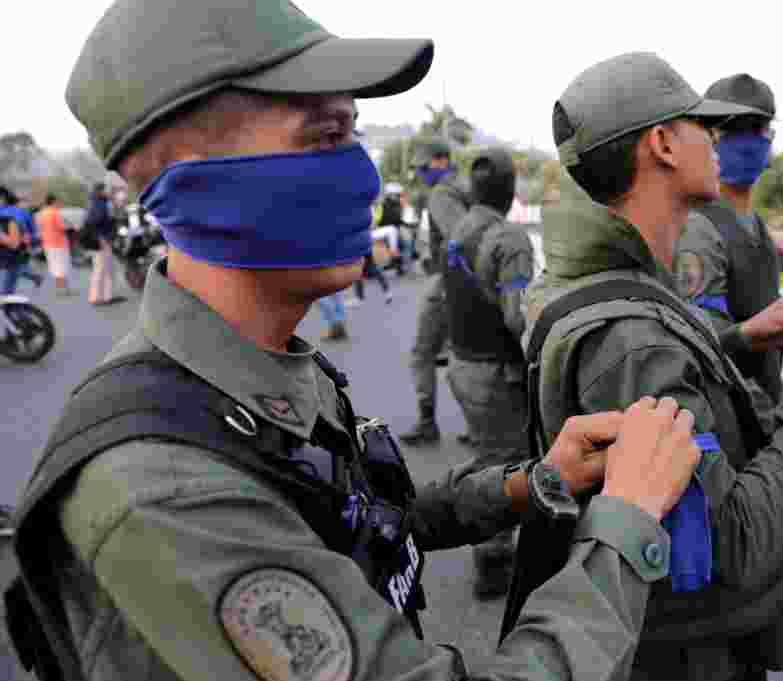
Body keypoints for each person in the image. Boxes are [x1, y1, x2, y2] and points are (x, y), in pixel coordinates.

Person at [6, 3, 707, 680]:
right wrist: (626, 521)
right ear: (190, 179)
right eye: (323, 137)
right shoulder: (163, 489)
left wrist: (533, 482)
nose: (364, 176)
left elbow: (364, 523)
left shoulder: (266, 375)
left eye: (353, 135)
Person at [525, 52, 783, 681]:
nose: (717, 142)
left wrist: (737, 341)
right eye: (703, 127)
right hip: (691, 653)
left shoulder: (633, 290)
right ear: (663, 143)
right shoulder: (632, 335)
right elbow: (733, 541)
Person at [444, 146, 535, 597]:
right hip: (495, 372)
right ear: (510, 188)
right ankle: (494, 558)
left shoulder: (457, 229)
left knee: (486, 454)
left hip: (461, 366)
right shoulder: (510, 239)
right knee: (505, 467)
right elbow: (517, 320)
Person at [672, 74, 783, 406]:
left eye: (756, 128)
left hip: (767, 410)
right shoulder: (698, 228)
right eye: (733, 130)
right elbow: (699, 344)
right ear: (708, 138)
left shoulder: (758, 228)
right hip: (731, 415)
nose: (747, 140)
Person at [399, 139, 472, 446]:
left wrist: (448, 277)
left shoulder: (442, 193)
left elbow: (460, 237)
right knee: (464, 353)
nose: (421, 173)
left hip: (447, 282)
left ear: (441, 161)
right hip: (467, 283)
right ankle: (479, 424)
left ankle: (427, 422)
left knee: (423, 354)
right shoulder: (464, 184)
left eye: (424, 166)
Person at [85, 182, 125, 306]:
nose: (109, 192)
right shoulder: (98, 204)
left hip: (105, 239)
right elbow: (93, 223)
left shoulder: (100, 202)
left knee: (107, 269)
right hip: (102, 241)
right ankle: (96, 297)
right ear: (100, 191)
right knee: (100, 269)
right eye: (106, 190)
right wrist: (100, 239)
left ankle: (107, 296)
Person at [36, 194, 75, 296]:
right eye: (58, 202)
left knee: (54, 266)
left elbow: (39, 228)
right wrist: (69, 227)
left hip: (47, 243)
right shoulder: (55, 213)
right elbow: (61, 227)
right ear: (53, 202)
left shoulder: (41, 214)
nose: (59, 204)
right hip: (59, 243)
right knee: (62, 266)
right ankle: (64, 289)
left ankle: (59, 288)